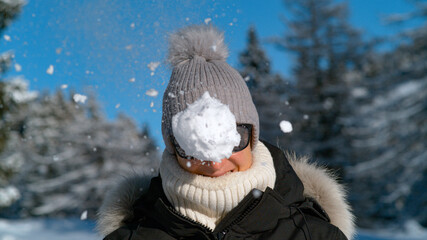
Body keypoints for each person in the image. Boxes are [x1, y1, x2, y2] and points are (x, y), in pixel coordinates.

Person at [96, 24, 355, 240]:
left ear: (252, 135)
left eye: (232, 137)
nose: (215, 161)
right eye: (192, 143)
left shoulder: (314, 234)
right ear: (173, 145)